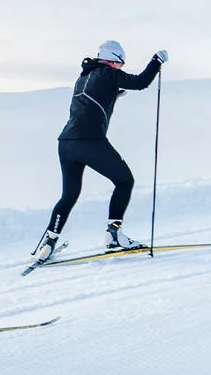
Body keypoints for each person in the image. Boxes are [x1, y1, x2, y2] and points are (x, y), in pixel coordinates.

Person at [32, 40, 169, 265]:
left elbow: (89, 102)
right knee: (124, 181)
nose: (120, 69)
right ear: (112, 60)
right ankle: (114, 234)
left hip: (66, 143)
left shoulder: (84, 77)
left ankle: (48, 243)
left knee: (69, 195)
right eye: (120, 64)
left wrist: (113, 96)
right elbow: (141, 82)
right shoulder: (107, 73)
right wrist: (156, 62)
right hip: (90, 141)